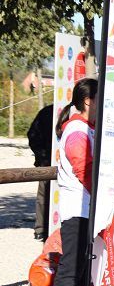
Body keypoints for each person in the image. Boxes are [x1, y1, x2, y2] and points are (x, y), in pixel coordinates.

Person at [50, 79, 98, 286]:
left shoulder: (87, 128)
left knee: (82, 266)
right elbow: (84, 170)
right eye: (99, 100)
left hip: (88, 207)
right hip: (77, 208)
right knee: (70, 267)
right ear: (88, 101)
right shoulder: (77, 130)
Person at [27, 103, 54, 241]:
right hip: (47, 163)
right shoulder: (47, 112)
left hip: (58, 162)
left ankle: (42, 229)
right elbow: (33, 135)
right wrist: (43, 157)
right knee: (44, 195)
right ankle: (41, 228)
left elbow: (32, 135)